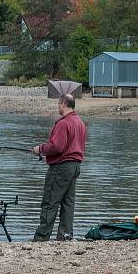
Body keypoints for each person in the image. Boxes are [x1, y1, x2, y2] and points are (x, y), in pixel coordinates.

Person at [31, 94, 87, 242]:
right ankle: (65, 235)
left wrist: (40, 149)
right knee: (68, 202)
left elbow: (57, 147)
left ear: (63, 104)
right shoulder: (79, 122)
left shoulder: (63, 123)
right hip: (75, 166)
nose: (58, 107)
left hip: (61, 167)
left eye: (58, 104)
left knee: (50, 201)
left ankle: (42, 237)